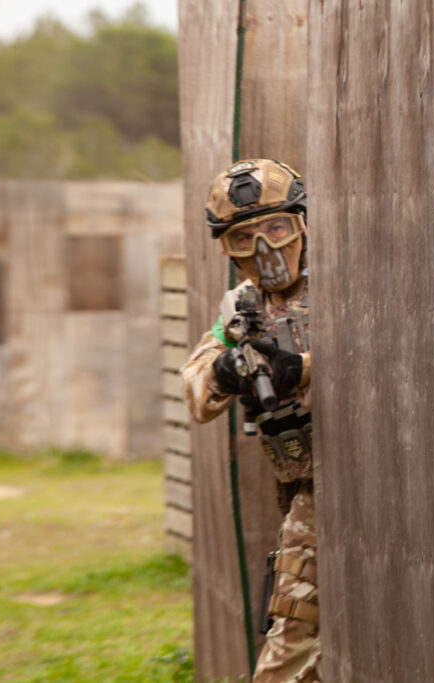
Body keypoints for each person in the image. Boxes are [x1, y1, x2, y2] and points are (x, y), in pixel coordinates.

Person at [181, 158, 319, 682]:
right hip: (306, 492)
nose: (265, 249)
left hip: (373, 479)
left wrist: (301, 371)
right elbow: (195, 395)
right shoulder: (241, 309)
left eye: (277, 228)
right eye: (245, 239)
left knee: (289, 656)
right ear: (229, 250)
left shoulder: (350, 283)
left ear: (301, 224)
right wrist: (225, 368)